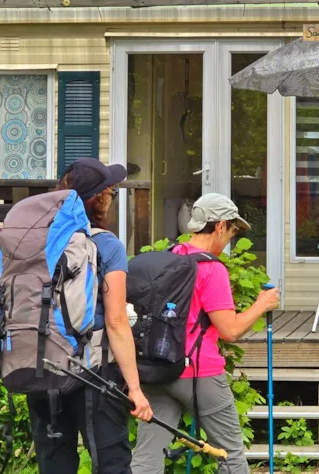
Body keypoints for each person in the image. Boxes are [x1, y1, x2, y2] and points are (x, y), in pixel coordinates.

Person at [131, 193, 280, 474]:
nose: (230, 241)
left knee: (146, 457)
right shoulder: (211, 268)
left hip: (158, 366)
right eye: (233, 232)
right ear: (221, 226)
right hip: (199, 373)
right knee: (230, 454)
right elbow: (230, 330)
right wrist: (262, 304)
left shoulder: (170, 257)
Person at [26, 157, 153, 474]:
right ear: (100, 199)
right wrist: (135, 389)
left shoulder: (31, 240)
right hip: (93, 373)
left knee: (55, 465)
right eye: (109, 190)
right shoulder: (106, 245)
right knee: (111, 463)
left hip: (38, 367)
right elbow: (116, 321)